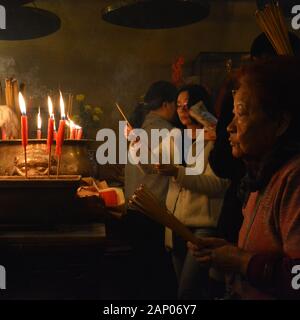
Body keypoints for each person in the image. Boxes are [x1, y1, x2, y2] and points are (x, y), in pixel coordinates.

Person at [188, 57, 300, 299]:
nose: (229, 127)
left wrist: (241, 261)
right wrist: (230, 252)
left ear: (280, 122)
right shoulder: (261, 175)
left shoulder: (294, 180)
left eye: (241, 114)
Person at [156, 84, 228, 299]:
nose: (182, 109)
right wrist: (136, 145)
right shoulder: (176, 137)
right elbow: (152, 165)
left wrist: (178, 173)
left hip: (203, 227)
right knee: (185, 289)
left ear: (201, 106)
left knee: (188, 292)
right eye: (178, 105)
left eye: (188, 105)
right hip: (176, 223)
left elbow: (217, 185)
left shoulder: (216, 139)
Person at [124, 80, 178, 299]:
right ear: (167, 104)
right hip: (154, 213)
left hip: (134, 210)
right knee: (157, 277)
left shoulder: (138, 131)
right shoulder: (170, 133)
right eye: (176, 104)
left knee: (139, 273)